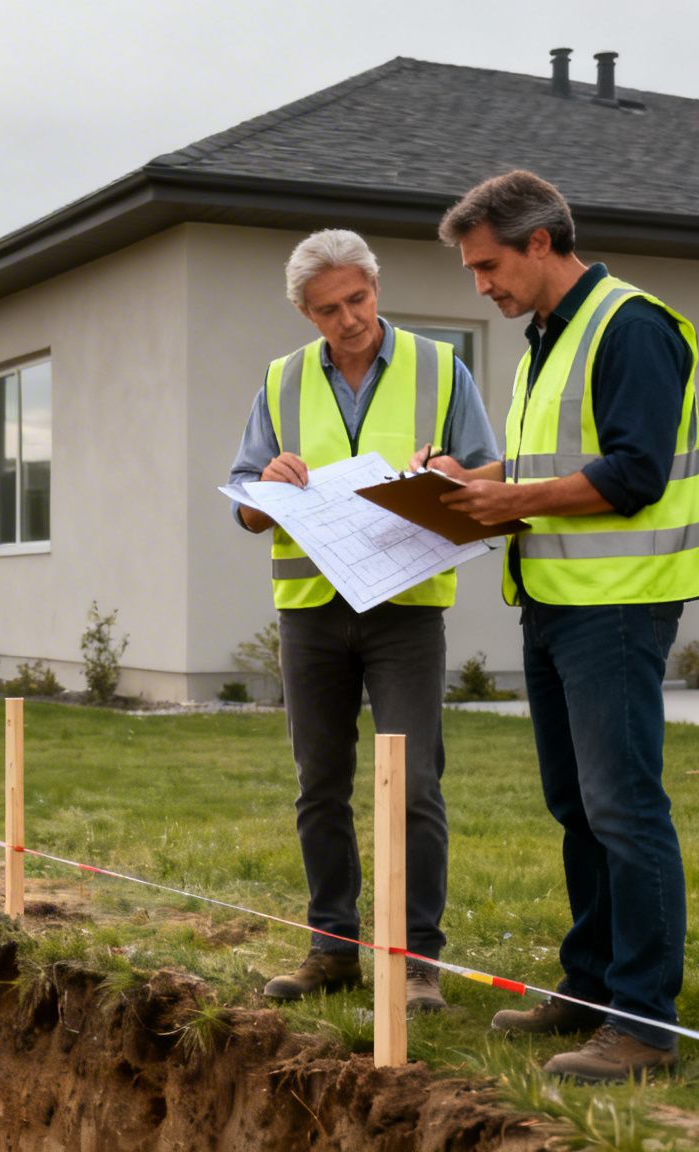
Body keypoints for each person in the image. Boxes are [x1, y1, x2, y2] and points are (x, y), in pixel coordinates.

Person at [429, 170, 699, 1082]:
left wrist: (511, 494)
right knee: (577, 808)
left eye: (488, 266)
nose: (481, 286)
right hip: (554, 602)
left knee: (625, 810)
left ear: (541, 242)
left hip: (620, 606)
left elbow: (633, 472)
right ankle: (590, 989)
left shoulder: (632, 326)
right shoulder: (545, 341)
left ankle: (642, 1024)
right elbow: (555, 465)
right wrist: (469, 479)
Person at [228, 229, 501, 1015]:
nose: (348, 319)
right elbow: (245, 502)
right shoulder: (279, 383)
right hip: (310, 613)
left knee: (414, 783)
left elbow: (488, 472)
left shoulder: (441, 368)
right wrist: (265, 484)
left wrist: (451, 474)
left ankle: (418, 963)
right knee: (320, 786)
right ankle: (332, 951)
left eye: (358, 299)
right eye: (328, 309)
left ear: (375, 288)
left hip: (404, 611)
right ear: (306, 314)